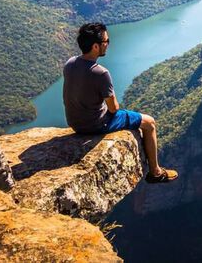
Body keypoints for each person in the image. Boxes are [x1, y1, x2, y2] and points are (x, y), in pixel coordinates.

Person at [62, 22, 178, 183]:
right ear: (95, 46)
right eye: (106, 42)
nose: (108, 45)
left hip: (75, 123)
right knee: (149, 122)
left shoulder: (70, 63)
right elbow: (114, 108)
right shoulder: (101, 73)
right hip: (96, 125)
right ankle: (155, 172)